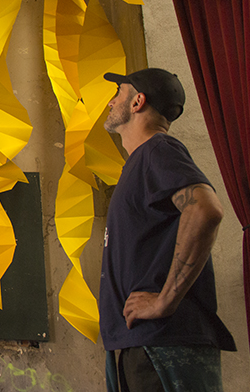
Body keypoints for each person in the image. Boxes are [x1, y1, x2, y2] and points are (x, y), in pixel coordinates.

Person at [99, 68, 236, 392]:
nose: (110, 101)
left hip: (161, 344)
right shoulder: (140, 162)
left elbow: (205, 209)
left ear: (137, 102)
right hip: (145, 344)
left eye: (118, 93)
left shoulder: (158, 150)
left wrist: (164, 301)